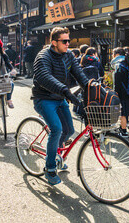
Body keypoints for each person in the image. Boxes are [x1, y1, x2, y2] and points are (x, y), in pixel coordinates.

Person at [32, 27, 89, 185]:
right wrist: (66, 91)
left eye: (68, 41)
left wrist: (90, 86)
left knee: (69, 130)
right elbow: (44, 77)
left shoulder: (68, 55)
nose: (68, 44)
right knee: (56, 129)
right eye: (64, 41)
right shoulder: (43, 56)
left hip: (60, 96)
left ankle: (55, 153)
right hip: (44, 98)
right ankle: (50, 169)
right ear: (54, 42)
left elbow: (78, 73)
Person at [111, 47, 129, 138]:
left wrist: (115, 93)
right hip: (128, 91)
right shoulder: (127, 62)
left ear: (117, 54)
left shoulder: (118, 64)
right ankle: (123, 128)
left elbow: (117, 81)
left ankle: (123, 131)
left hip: (122, 92)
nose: (112, 56)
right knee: (124, 111)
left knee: (122, 112)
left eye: (113, 54)